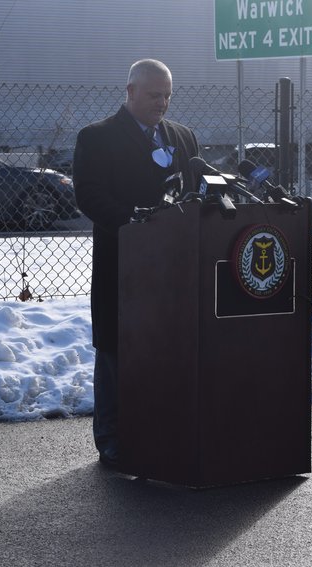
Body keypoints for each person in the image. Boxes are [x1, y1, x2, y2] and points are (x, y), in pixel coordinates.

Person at [72, 59, 199, 466]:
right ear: (129, 92)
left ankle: (160, 430)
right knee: (115, 350)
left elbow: (195, 192)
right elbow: (89, 196)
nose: (162, 103)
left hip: (174, 268)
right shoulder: (97, 138)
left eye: (167, 95)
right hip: (122, 263)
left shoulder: (183, 137)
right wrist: (135, 224)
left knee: (165, 347)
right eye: (153, 95)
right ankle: (111, 437)